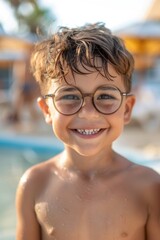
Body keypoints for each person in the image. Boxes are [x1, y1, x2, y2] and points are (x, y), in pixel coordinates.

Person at [16, 22, 160, 240]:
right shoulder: (34, 184)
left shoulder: (149, 187)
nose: (88, 113)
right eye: (69, 96)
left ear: (127, 109)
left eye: (105, 96)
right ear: (46, 110)